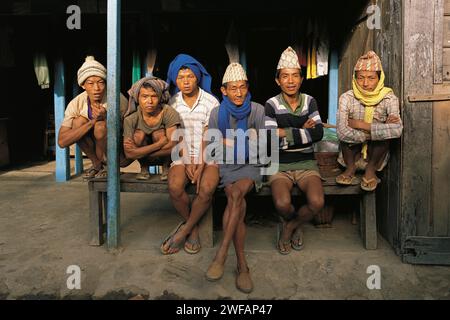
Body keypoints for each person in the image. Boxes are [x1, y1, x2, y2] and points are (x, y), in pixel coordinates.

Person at [205, 62, 266, 294]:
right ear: (224, 90)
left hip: (251, 165)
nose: (239, 93)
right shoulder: (216, 113)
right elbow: (213, 146)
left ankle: (221, 255)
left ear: (247, 87)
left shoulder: (258, 110)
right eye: (233, 88)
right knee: (235, 199)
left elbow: (262, 146)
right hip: (227, 167)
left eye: (242, 87)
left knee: (237, 194)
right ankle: (242, 265)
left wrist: (228, 142)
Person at [265, 46, 325, 255]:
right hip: (279, 163)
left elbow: (318, 134)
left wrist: (285, 133)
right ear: (277, 80)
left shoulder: (310, 101)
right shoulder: (271, 104)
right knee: (282, 204)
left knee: (317, 202)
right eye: (285, 77)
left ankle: (290, 227)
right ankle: (292, 221)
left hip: (306, 162)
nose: (290, 81)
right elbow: (270, 138)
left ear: (301, 79)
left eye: (295, 76)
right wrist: (301, 131)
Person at [160, 54, 220, 255]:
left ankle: (183, 230)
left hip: (208, 154)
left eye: (190, 76)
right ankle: (193, 229)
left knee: (207, 188)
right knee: (175, 187)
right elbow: (176, 135)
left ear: (197, 77)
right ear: (175, 80)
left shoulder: (211, 102)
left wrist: (201, 164)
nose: (185, 81)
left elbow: (210, 136)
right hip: (182, 153)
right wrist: (186, 162)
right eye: (180, 77)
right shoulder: (172, 103)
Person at [336, 51, 403, 191]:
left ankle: (370, 170)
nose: (365, 83)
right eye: (361, 78)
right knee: (350, 139)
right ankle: (350, 168)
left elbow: (397, 130)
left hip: (375, 155)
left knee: (383, 140)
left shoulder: (389, 99)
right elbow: (341, 132)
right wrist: (379, 130)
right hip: (351, 154)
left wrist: (360, 125)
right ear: (355, 78)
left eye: (371, 78)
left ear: (379, 78)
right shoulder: (346, 98)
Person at [58, 56, 133, 179]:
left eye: (101, 82)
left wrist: (107, 117)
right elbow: (62, 141)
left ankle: (109, 165)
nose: (96, 88)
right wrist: (92, 122)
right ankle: (97, 164)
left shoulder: (117, 99)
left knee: (100, 126)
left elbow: (127, 130)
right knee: (78, 123)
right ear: (83, 85)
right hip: (95, 147)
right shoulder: (76, 103)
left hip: (118, 151)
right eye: (90, 83)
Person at [122, 77, 181, 179]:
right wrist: (159, 144)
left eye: (154, 96)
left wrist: (139, 152)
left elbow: (173, 146)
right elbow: (128, 153)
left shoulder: (168, 112)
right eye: (144, 96)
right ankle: (144, 168)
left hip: (164, 156)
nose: (149, 101)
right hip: (156, 150)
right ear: (138, 98)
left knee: (158, 133)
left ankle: (166, 167)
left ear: (159, 98)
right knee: (138, 135)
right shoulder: (131, 119)